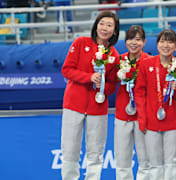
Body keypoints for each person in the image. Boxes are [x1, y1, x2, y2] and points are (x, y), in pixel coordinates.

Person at [60, 10, 120, 180]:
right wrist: (89, 77)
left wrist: (103, 85)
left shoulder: (113, 54)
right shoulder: (80, 43)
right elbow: (67, 70)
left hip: (98, 108)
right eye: (102, 23)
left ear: (114, 30)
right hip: (73, 105)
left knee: (96, 150)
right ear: (96, 25)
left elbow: (111, 87)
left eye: (109, 25)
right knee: (70, 148)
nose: (104, 28)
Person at [134, 29, 176, 180]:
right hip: (151, 122)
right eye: (162, 41)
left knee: (172, 163)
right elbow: (139, 92)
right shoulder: (147, 64)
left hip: (172, 122)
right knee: (155, 164)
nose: (166, 45)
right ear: (157, 44)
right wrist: (142, 118)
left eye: (170, 42)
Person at [114, 25, 151, 180]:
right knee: (122, 160)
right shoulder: (119, 60)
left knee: (145, 160)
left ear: (144, 41)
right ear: (125, 41)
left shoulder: (149, 61)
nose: (133, 43)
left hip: (143, 116)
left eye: (138, 39)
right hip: (123, 115)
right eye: (130, 39)